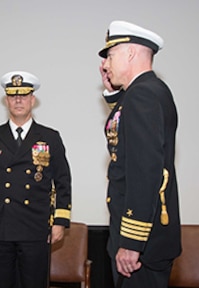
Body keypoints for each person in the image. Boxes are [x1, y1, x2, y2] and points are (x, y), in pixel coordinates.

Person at [98, 20, 181, 287]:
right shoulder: (147, 92)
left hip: (141, 243)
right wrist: (113, 94)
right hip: (148, 236)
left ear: (130, 53)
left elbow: (145, 172)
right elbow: (123, 138)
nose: (105, 65)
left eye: (110, 56)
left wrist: (132, 242)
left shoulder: (142, 96)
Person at [0, 71, 72, 288]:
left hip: (35, 227)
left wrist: (60, 221)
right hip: (0, 226)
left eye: (24, 95)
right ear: (6, 100)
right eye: (12, 96)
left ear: (32, 100)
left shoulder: (50, 137)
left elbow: (63, 181)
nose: (18, 100)